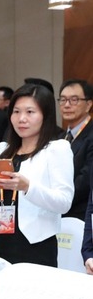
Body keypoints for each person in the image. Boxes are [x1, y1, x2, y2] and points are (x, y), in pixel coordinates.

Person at [0, 84, 74, 266]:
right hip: (0, 238)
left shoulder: (57, 149)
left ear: (45, 115)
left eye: (30, 112)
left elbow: (64, 202)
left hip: (36, 243)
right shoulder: (1, 150)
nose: (22, 119)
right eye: (16, 112)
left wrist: (27, 187)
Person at [58, 79, 93, 220]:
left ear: (88, 104)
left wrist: (59, 199)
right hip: (59, 213)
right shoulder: (59, 138)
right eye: (63, 100)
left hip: (82, 215)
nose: (67, 105)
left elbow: (86, 180)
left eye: (74, 100)